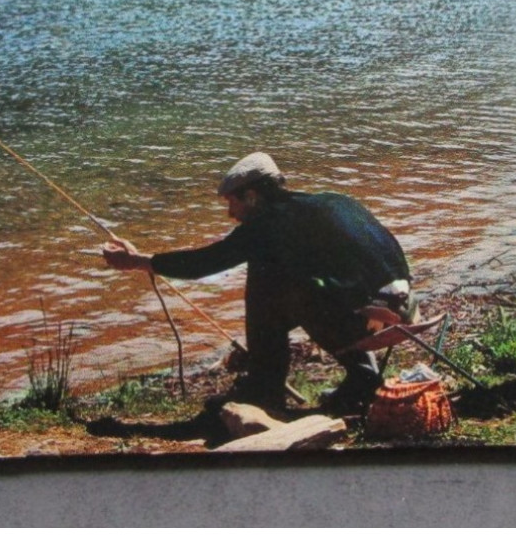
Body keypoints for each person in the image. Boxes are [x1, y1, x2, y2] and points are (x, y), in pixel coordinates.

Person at [102, 151, 413, 413]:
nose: (230, 214)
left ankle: (264, 388)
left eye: (232, 204)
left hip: (369, 322)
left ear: (251, 196)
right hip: (408, 310)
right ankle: (359, 372)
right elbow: (390, 255)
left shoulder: (267, 224)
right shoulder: (332, 201)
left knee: (266, 279)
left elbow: (205, 263)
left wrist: (138, 261)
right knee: (294, 276)